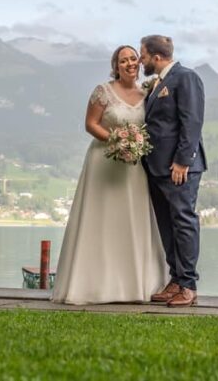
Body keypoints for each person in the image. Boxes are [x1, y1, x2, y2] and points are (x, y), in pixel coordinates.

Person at [50, 45, 167, 304]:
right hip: (103, 162)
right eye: (123, 60)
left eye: (133, 59)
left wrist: (133, 146)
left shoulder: (148, 93)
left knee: (130, 222)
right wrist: (117, 139)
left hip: (134, 169)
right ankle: (92, 286)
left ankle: (134, 287)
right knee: (100, 221)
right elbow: (90, 124)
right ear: (116, 66)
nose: (129, 63)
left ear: (139, 63)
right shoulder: (102, 92)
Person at [139, 35, 207, 308]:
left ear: (156, 57)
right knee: (167, 225)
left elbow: (192, 121)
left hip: (179, 168)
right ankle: (176, 280)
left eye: (143, 55)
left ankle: (188, 284)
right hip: (156, 168)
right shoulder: (157, 83)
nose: (141, 60)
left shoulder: (186, 77)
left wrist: (182, 161)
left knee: (183, 221)